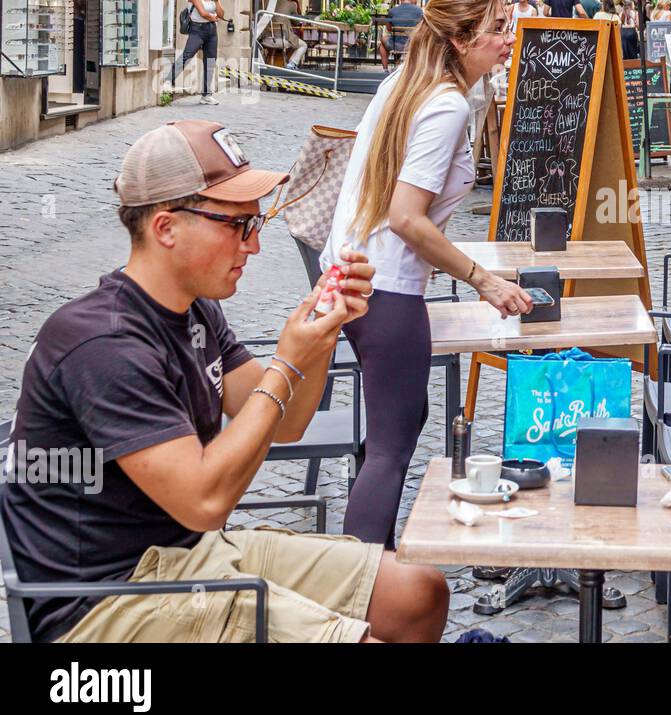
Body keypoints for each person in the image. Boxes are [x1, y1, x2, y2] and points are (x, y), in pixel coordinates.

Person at [0, 119, 450, 642]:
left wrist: (322, 333)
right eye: (238, 225)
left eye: (257, 224)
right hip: (108, 604)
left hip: (189, 554)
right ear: (165, 227)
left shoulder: (196, 311)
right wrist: (286, 361)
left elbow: (288, 423)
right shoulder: (102, 342)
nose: (253, 246)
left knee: (419, 593)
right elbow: (206, 502)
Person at [322, 0, 534, 547]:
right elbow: (406, 217)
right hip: (385, 286)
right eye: (497, 29)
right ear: (462, 40)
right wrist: (482, 279)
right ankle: (362, 580)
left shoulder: (408, 82)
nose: (509, 38)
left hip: (359, 275)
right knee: (391, 446)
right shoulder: (444, 105)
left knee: (399, 423)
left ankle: (373, 563)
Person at [170, 0, 224, 106]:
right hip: (197, 30)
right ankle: (167, 81)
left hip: (211, 31)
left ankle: (206, 95)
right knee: (187, 55)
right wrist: (213, 17)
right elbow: (202, 12)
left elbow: (222, 14)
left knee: (210, 61)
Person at [379, 0, 423, 71]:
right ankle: (416, 69)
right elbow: (423, 27)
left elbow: (389, 29)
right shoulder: (419, 11)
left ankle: (385, 69)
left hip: (396, 45)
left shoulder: (393, 11)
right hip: (413, 45)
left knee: (382, 42)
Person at [263, 0, 307, 69]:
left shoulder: (271, 3)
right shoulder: (292, 5)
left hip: (266, 37)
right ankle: (292, 64)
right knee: (303, 45)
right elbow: (297, 21)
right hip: (282, 38)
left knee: (293, 42)